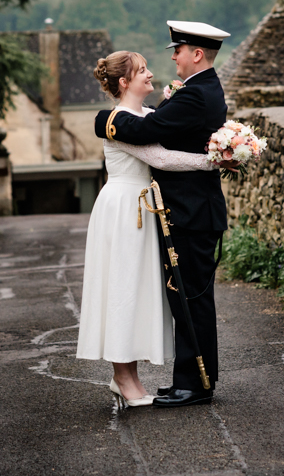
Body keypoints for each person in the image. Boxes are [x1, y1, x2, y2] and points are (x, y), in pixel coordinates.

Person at [93, 21, 231, 408]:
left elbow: (153, 136)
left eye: (178, 50)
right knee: (184, 298)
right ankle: (189, 379)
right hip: (167, 212)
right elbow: (155, 131)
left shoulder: (195, 95)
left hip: (190, 214)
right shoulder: (196, 91)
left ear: (196, 54)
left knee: (191, 300)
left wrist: (107, 121)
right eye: (142, 69)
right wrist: (111, 119)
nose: (171, 57)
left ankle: (197, 383)